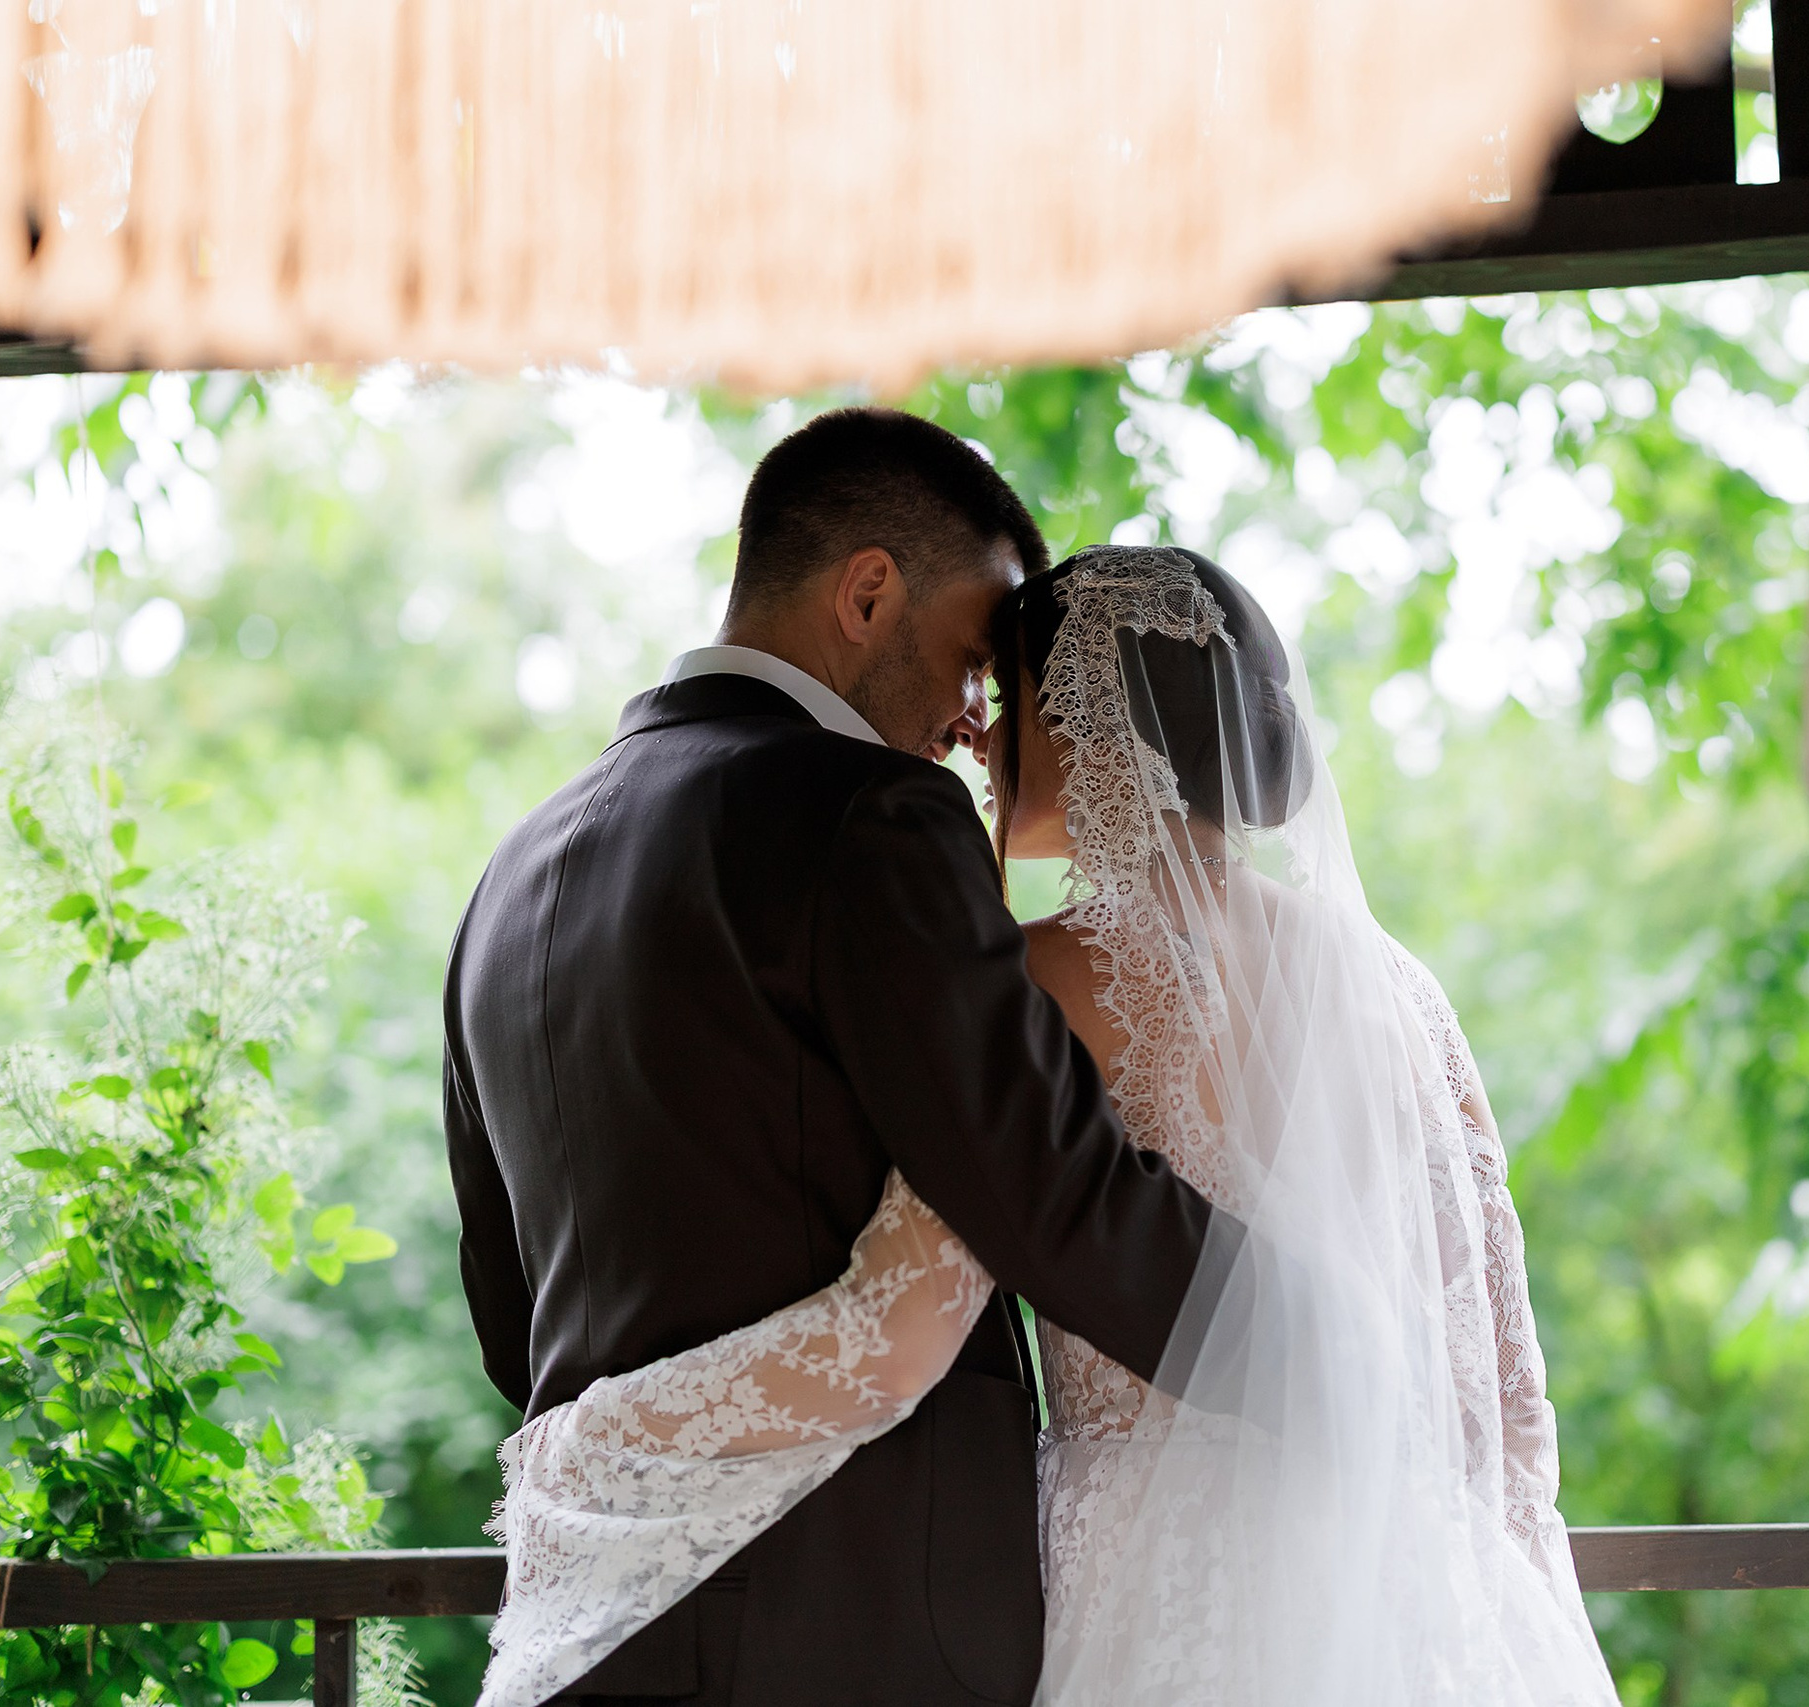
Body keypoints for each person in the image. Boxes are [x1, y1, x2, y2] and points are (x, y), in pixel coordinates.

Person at [478, 541, 1622, 1706]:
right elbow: (1510, 1412)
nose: (974, 734)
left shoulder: (1037, 979)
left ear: (1083, 722)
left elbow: (898, 1328)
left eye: (1004, 696)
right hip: (1414, 1599)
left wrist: (597, 1443)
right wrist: (1479, 1609)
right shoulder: (1403, 992)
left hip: (1151, 1595)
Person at [444, 411, 1238, 1707]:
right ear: (869, 590)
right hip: (854, 1628)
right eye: (974, 653)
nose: (978, 717)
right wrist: (1331, 1342)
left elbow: (509, 1310)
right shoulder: (873, 816)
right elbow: (1053, 1193)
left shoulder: (510, 874)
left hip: (594, 1626)